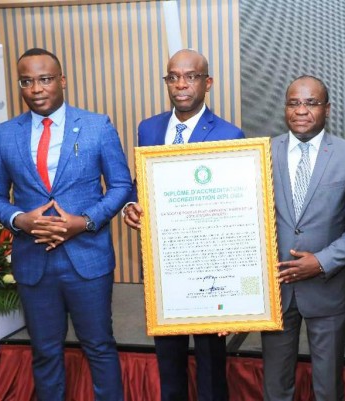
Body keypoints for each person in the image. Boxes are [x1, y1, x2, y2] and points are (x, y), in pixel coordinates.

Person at [0, 48, 132, 401]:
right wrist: (20, 219)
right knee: (45, 353)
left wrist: (85, 221)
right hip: (34, 263)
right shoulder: (5, 133)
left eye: (45, 79)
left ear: (62, 81)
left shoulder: (97, 126)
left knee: (99, 347)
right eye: (27, 81)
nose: (36, 89)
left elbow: (121, 185)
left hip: (87, 260)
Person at [123, 49, 244, 401]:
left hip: (208, 271)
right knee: (169, 363)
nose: (181, 84)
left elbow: (235, 207)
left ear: (208, 83)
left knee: (211, 365)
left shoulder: (229, 134)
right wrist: (131, 204)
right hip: (163, 268)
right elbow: (139, 182)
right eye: (173, 77)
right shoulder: (148, 128)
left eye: (190, 76)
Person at [261, 75, 345, 401]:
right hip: (276, 292)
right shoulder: (262, 152)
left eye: (311, 103)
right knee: (276, 387)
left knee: (328, 388)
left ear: (327, 109)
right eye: (294, 103)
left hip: (326, 287)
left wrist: (320, 262)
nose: (301, 111)